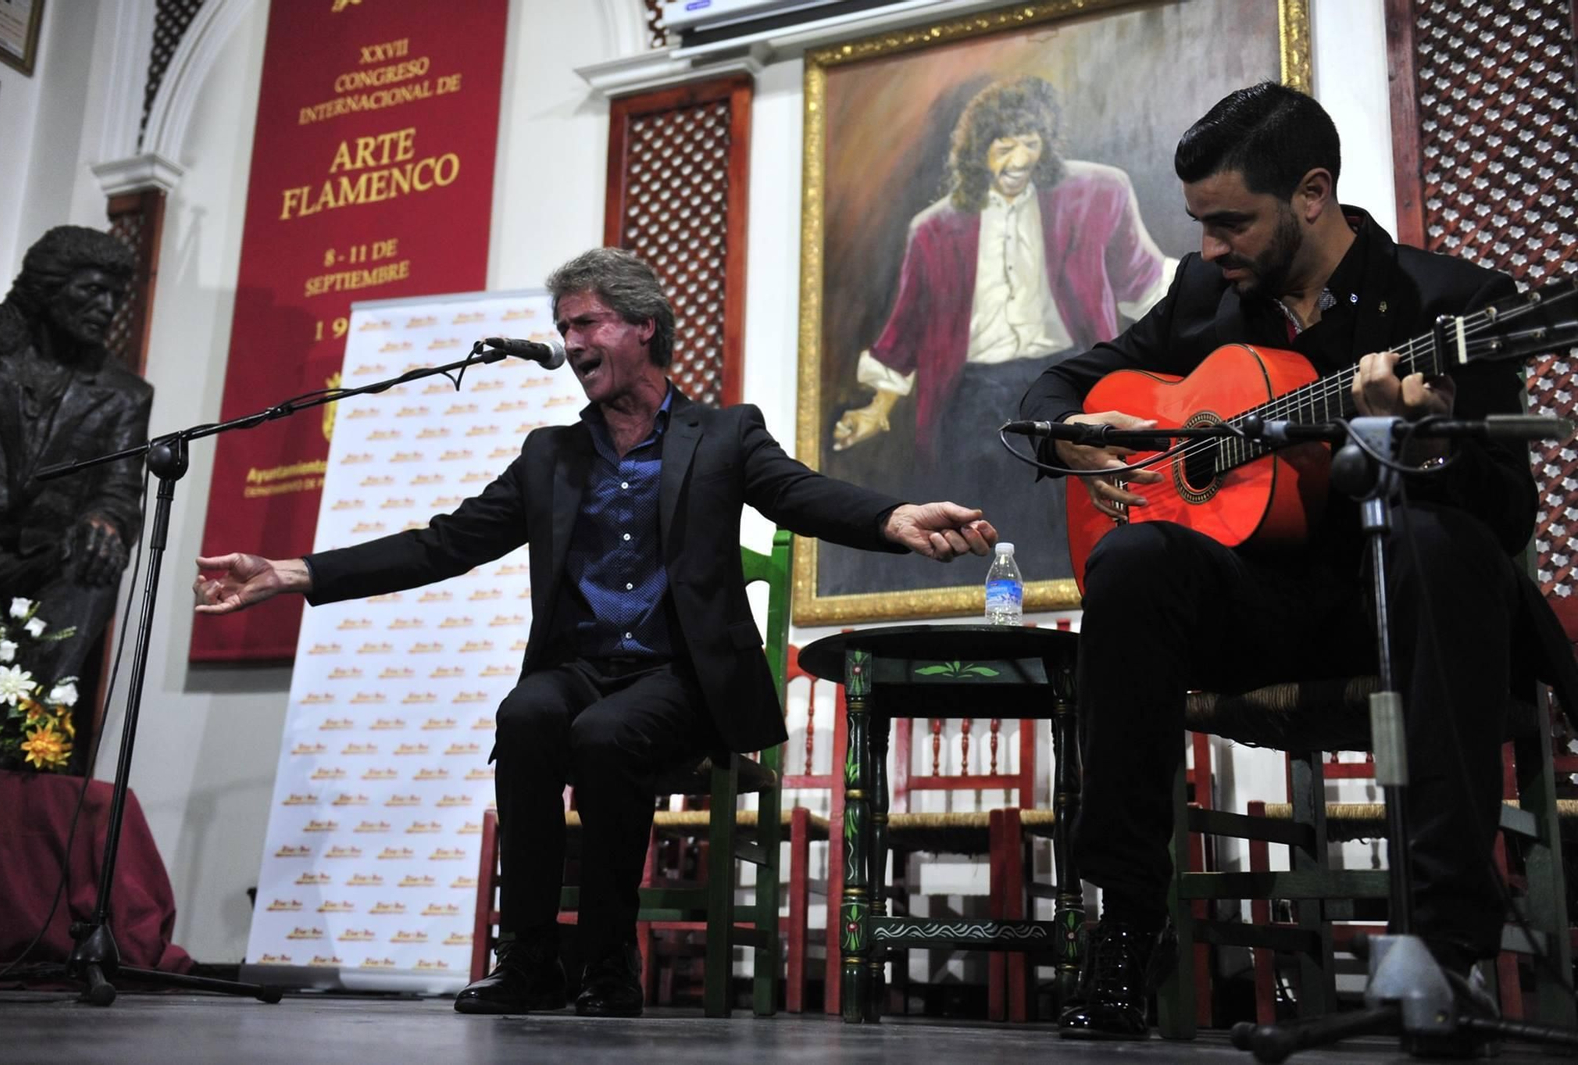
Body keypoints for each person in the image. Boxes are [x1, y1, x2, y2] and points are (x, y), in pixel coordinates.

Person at [193, 247, 998, 1017]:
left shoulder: (723, 435)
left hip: (678, 678)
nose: (571, 342)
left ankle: (608, 958)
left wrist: (892, 516)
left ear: (644, 325)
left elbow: (799, 494)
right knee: (527, 714)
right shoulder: (552, 455)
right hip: (580, 666)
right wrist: (295, 571)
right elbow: (445, 542)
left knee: (610, 735)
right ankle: (530, 959)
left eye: (588, 323)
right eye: (565, 326)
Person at [1020, 82, 1578, 1042]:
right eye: (1200, 225)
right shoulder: (1209, 298)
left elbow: (1508, 511)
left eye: (1230, 223)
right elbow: (1070, 380)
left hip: (1405, 606)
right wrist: (1070, 436)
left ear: (1312, 194)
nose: (1208, 251)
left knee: (1434, 540)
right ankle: (1126, 924)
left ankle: (1450, 947)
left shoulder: (1451, 304)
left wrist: (1425, 438)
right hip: (1263, 609)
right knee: (1133, 566)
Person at [832, 75, 1174, 582]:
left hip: (1066, 384)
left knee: (1064, 526)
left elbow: (1144, 281)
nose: (1019, 159)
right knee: (987, 532)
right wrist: (876, 409)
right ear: (978, 150)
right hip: (971, 399)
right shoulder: (933, 229)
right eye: (1004, 145)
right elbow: (907, 328)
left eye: (1031, 143)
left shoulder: (1098, 192)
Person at [0, 226, 151, 687]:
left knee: (99, 560)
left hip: (41, 559)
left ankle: (28, 720)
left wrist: (106, 524)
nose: (109, 308)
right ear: (49, 288)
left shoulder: (124, 395)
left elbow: (119, 489)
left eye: (116, 295)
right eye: (93, 291)